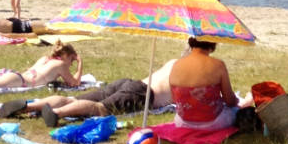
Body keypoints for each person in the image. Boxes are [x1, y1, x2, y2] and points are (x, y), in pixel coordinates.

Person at [12, 58, 177, 125]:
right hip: (143, 93)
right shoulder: (189, 74)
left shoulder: (173, 62)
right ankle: (57, 113)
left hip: (130, 83)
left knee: (73, 100)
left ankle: (29, 106)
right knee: (99, 108)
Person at [166, 37, 239, 133]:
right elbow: (230, 101)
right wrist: (236, 101)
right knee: (235, 110)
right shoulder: (218, 65)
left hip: (182, 123)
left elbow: (175, 100)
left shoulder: (176, 65)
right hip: (213, 123)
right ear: (212, 42)